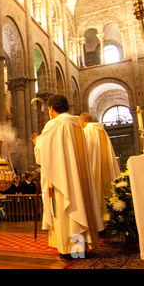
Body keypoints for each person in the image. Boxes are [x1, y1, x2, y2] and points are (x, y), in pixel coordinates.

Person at [30, 94, 104, 259]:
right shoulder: (77, 124)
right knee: (79, 209)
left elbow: (45, 152)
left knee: (66, 213)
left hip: (62, 180)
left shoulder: (54, 124)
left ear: (51, 109)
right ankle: (80, 248)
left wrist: (37, 144)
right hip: (78, 176)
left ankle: (69, 249)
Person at [80, 112, 120, 220]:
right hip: (108, 169)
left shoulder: (85, 132)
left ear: (82, 123)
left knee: (97, 195)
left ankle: (99, 222)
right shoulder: (102, 131)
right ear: (92, 120)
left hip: (94, 171)